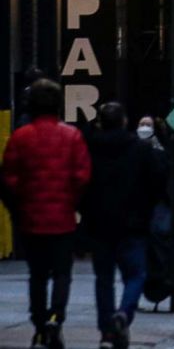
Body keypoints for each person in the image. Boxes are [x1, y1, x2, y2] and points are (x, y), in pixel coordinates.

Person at [1, 79, 90, 348]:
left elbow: (9, 179)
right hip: (62, 219)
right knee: (62, 272)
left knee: (37, 274)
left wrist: (17, 209)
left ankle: (39, 323)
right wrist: (75, 206)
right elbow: (82, 177)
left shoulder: (21, 137)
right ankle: (56, 317)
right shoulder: (72, 136)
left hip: (31, 220)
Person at [84, 102, 164, 349]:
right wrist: (147, 210)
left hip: (100, 224)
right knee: (136, 274)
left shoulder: (90, 148)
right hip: (133, 223)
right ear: (124, 122)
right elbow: (157, 182)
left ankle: (107, 330)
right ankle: (124, 314)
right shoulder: (140, 150)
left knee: (103, 279)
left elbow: (83, 184)